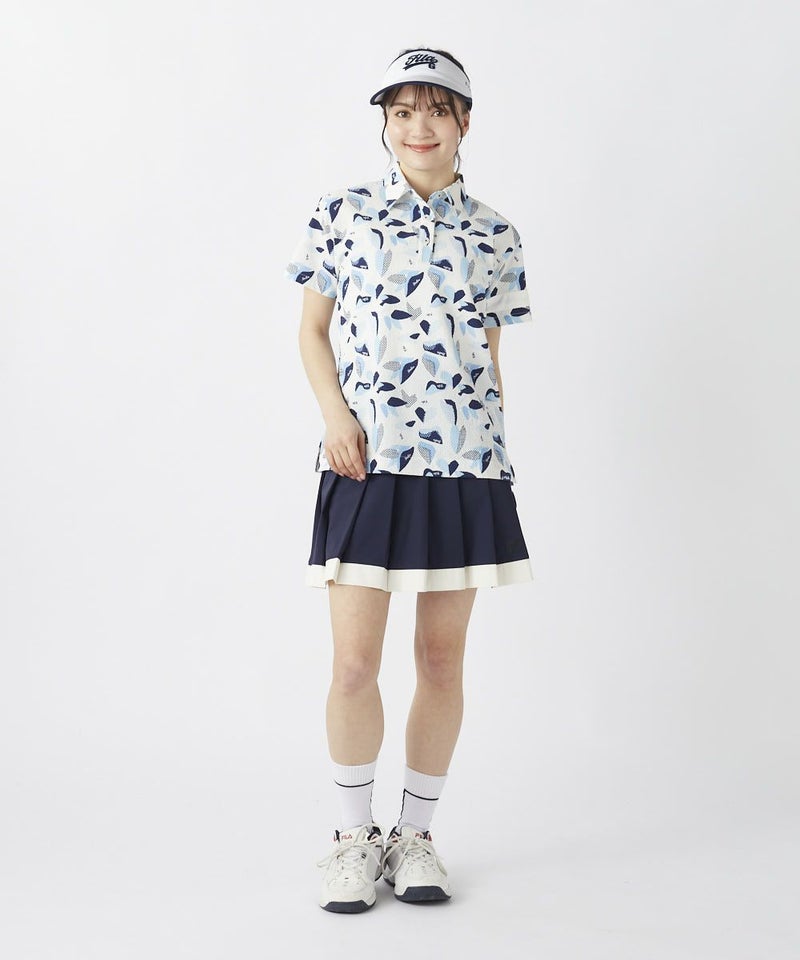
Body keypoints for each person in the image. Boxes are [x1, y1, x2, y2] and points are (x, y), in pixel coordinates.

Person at [284, 47, 534, 912]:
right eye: (401, 111)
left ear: (464, 121)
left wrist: (491, 455)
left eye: (435, 109)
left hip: (464, 470)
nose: (418, 126)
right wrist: (335, 418)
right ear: (385, 123)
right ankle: (354, 838)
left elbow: (489, 358)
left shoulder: (496, 234)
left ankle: (416, 836)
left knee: (440, 659)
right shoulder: (342, 214)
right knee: (355, 664)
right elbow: (311, 331)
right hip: (366, 462)